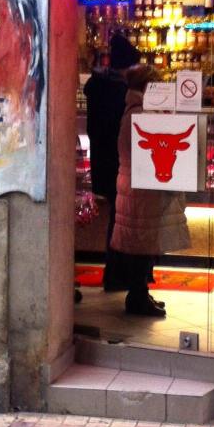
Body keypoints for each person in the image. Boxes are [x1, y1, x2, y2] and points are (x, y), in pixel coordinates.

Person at [111, 64, 191, 317]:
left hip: (136, 186)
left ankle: (140, 293)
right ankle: (136, 297)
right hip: (142, 188)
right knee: (142, 244)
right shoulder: (142, 113)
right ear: (148, 88)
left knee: (142, 243)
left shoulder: (134, 110)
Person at [84, 32, 141, 292]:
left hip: (104, 163)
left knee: (117, 220)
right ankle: (119, 275)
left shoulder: (98, 87)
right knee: (122, 221)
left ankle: (118, 273)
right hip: (120, 165)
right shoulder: (119, 92)